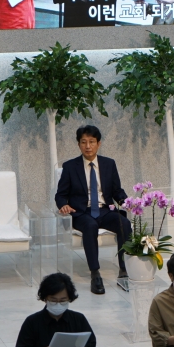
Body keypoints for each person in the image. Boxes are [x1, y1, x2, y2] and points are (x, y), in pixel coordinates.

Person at [55, 125, 131, 294]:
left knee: (124, 224)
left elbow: (117, 191)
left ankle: (124, 270)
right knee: (90, 226)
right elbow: (60, 195)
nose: (88, 146)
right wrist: (63, 205)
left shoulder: (109, 164)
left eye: (91, 142)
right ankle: (95, 274)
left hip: (105, 210)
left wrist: (128, 202)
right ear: (78, 144)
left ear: (98, 143)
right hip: (82, 212)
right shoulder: (70, 166)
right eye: (84, 142)